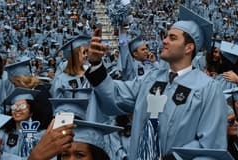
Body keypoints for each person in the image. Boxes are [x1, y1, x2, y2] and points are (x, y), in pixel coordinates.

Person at [86, 5, 227, 159]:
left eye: (172, 37)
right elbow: (115, 96)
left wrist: (176, 157)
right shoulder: (150, 79)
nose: (164, 41)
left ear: (188, 48)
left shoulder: (208, 88)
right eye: (166, 36)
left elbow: (210, 143)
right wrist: (96, 64)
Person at [0, 88, 44, 158]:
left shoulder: (41, 135)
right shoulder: (3, 133)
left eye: (22, 106)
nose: (17, 109)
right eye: (14, 107)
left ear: (31, 112)